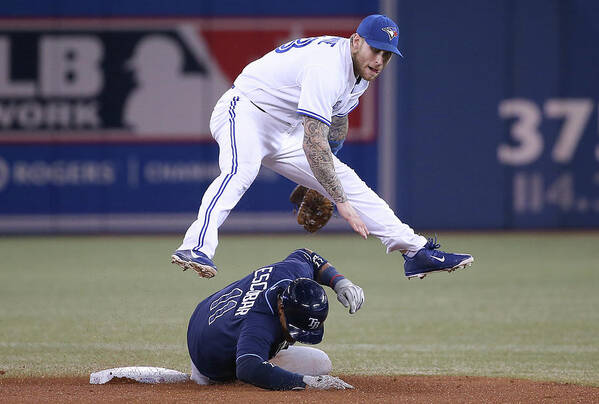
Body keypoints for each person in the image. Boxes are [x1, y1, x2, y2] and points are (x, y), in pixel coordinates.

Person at [171, 14, 474, 280]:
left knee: (349, 181)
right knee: (240, 172)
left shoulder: (360, 74)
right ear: (356, 41)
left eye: (387, 54)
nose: (380, 60)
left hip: (283, 129)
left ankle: (415, 252)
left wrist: (325, 183)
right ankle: (194, 247)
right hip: (245, 112)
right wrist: (338, 200)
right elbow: (313, 141)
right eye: (375, 49)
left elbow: (336, 128)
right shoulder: (328, 67)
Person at [186, 248, 363, 390]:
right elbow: (247, 367)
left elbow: (307, 256)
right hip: (211, 358)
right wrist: (304, 382)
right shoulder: (259, 322)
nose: (294, 338)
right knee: (319, 363)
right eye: (294, 328)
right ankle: (209, 379)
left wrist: (340, 282)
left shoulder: (291, 273)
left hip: (207, 314)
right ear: (281, 308)